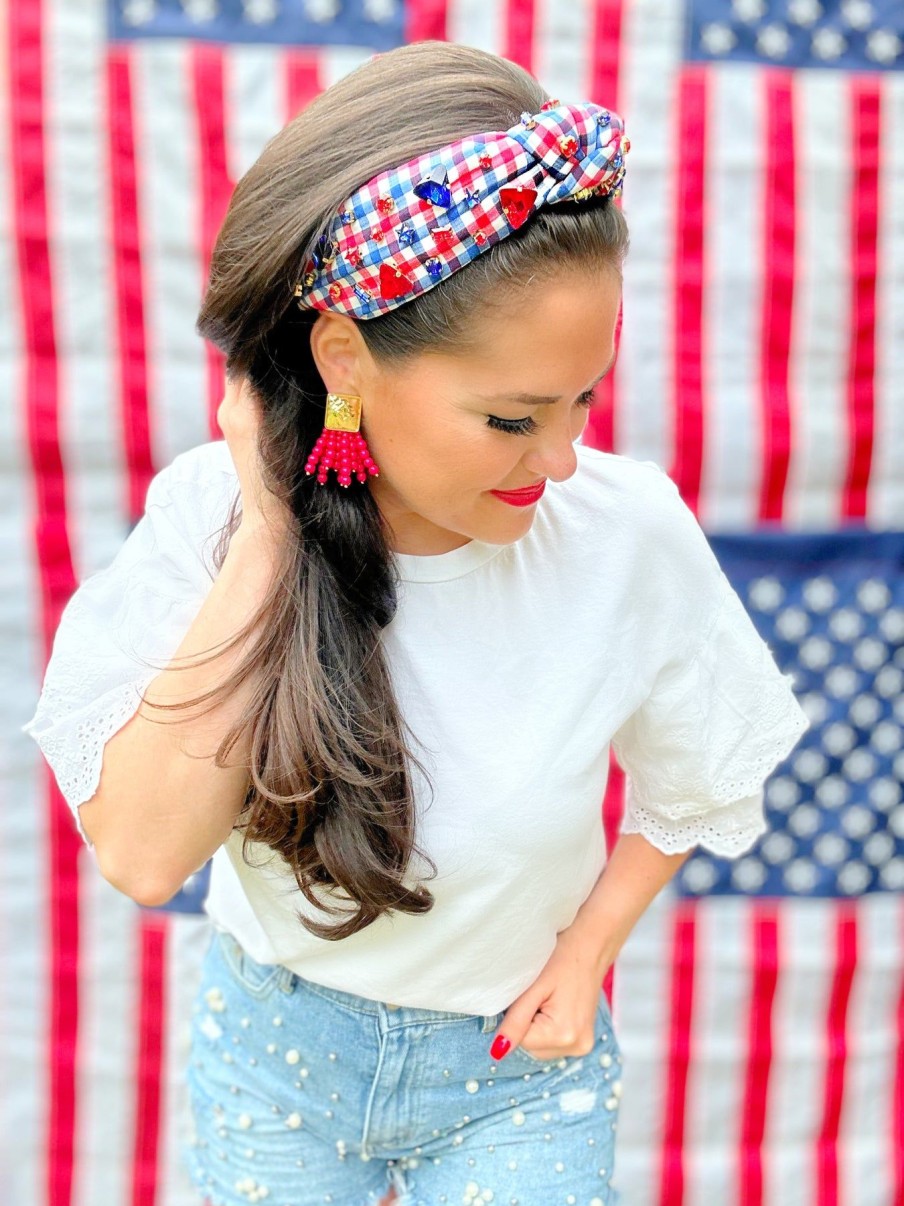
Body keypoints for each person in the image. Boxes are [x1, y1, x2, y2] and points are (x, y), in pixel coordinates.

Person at [22, 39, 810, 1206]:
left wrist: (588, 949)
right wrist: (272, 529)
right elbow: (142, 854)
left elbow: (700, 769)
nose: (560, 457)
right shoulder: (211, 522)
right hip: (274, 1064)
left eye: (583, 397)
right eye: (511, 417)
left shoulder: (624, 531)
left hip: (517, 1079)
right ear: (345, 358)